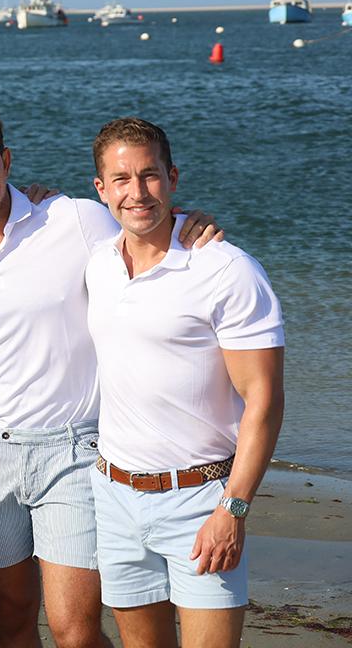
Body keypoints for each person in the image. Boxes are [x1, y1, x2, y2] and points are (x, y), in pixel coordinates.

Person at [0, 102, 219, 648]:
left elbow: (143, 237)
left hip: (75, 449)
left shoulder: (73, 218)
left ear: (5, 161)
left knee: (74, 631)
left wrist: (190, 229)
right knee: (10, 620)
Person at [85, 118, 284, 648]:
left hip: (200, 500)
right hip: (115, 494)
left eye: (150, 175)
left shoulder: (226, 270)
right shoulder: (98, 264)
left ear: (172, 177)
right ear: (100, 189)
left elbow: (263, 399)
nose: (137, 191)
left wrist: (234, 508)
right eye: (121, 179)